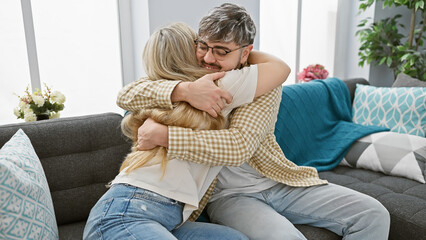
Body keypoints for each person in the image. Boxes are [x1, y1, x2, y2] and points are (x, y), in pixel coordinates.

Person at [116, 3, 391, 240]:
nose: (209, 58)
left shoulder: (263, 82)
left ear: (245, 53)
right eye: (203, 47)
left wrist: (165, 135)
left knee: (374, 214)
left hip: (276, 181)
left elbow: (239, 146)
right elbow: (127, 94)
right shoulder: (189, 80)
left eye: (222, 51)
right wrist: (184, 90)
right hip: (229, 196)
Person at [83, 21, 290, 240]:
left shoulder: (171, 90)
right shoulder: (213, 87)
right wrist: (234, 54)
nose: (208, 56)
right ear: (189, 53)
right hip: (127, 210)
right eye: (201, 47)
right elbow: (279, 68)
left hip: (169, 218)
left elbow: (125, 94)